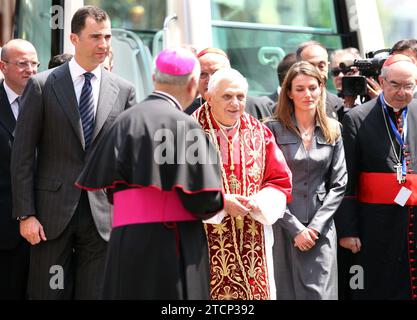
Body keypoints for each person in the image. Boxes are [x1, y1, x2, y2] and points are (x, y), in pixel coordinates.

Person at [76, 48, 224, 299]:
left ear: (154, 78)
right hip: (172, 243)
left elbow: (110, 188)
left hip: (125, 241)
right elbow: (205, 201)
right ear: (192, 85)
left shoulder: (123, 121)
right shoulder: (185, 124)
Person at [10, 6, 136, 300]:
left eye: (107, 37)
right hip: (50, 216)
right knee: (49, 294)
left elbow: (129, 160)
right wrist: (25, 214)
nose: (103, 44)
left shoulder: (125, 90)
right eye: (95, 37)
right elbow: (23, 154)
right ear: (74, 39)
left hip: (103, 216)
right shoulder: (43, 85)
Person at [193, 68, 292, 300]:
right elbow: (178, 185)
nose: (235, 103)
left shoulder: (259, 131)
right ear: (209, 96)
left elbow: (279, 180)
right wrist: (220, 203)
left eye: (240, 97)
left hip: (253, 241)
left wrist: (261, 203)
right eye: (227, 96)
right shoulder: (190, 129)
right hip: (202, 239)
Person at [336, 54, 417, 300]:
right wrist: (348, 230)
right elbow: (347, 179)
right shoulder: (357, 118)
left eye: (409, 86)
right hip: (375, 222)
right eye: (395, 85)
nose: (402, 92)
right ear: (381, 81)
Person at [265, 61, 347, 299]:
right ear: (288, 92)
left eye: (312, 87)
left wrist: (314, 228)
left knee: (320, 294)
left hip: (320, 229)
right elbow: (267, 183)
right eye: (299, 88)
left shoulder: (333, 129)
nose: (307, 94)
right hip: (283, 228)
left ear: (321, 88)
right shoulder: (271, 129)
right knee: (285, 293)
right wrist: (295, 228)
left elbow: (339, 183)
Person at [0, 39, 39, 300]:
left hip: (44, 228)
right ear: (3, 67)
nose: (30, 70)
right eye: (22, 63)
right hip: (3, 229)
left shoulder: (48, 101)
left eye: (34, 63)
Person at [184, 47, 274, 120]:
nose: (210, 80)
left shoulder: (259, 107)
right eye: (203, 74)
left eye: (216, 72)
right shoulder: (186, 111)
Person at [296, 40, 344, 121]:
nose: (317, 72)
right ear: (298, 67)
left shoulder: (340, 106)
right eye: (310, 66)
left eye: (321, 66)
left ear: (328, 67)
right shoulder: (283, 108)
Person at [329, 47, 381, 121]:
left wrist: (380, 101)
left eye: (347, 70)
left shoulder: (379, 95)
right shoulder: (329, 106)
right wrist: (348, 106)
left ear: (360, 70)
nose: (340, 76)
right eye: (335, 72)